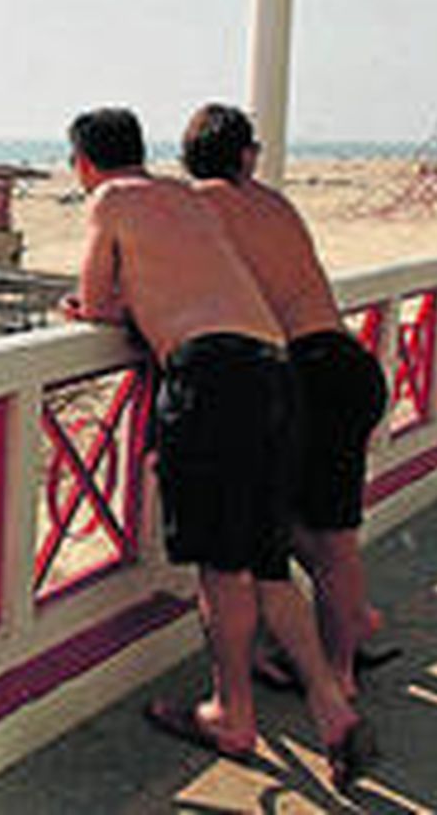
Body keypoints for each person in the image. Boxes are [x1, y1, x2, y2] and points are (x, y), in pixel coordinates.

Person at [61, 107, 372, 790]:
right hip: (276, 374)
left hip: (212, 379)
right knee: (264, 557)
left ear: (83, 163)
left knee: (221, 568)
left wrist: (87, 309)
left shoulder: (109, 199)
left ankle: (231, 715)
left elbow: (96, 303)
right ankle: (330, 704)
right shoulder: (182, 194)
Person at [182, 103, 394, 697]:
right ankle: (345, 642)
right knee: (335, 532)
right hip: (349, 363)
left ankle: (337, 666)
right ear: (247, 155)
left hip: (307, 373)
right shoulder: (274, 202)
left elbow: (175, 279)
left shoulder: (202, 205)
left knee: (304, 533)